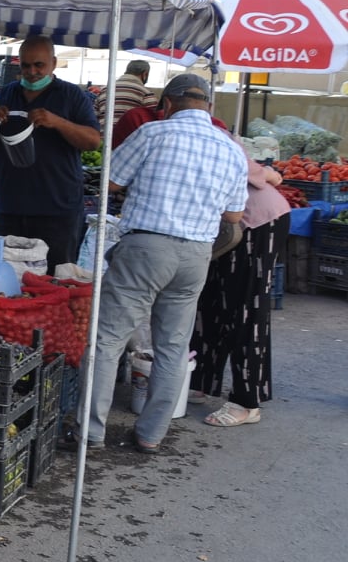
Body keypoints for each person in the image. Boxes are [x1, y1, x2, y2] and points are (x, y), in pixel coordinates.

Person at [84, 73, 249, 453]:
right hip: (195, 255)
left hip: (146, 247)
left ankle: (90, 433)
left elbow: (111, 181)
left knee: (108, 340)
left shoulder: (153, 133)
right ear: (209, 106)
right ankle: (151, 435)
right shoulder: (230, 148)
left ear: (168, 104)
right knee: (173, 346)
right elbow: (234, 216)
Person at [0, 35, 102, 270]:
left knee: (55, 277)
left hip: (57, 210)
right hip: (11, 207)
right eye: (26, 65)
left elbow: (93, 140)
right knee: (10, 276)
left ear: (53, 63)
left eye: (39, 65)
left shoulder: (71, 95)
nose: (32, 72)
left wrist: (58, 122)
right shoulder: (7, 94)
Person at [188, 151, 291, 426]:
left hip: (257, 221)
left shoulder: (215, 138)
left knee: (246, 306)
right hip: (224, 226)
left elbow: (256, 172)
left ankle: (247, 401)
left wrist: (270, 174)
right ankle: (199, 380)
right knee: (209, 299)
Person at [95, 59, 155, 124]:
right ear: (145, 74)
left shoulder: (104, 90)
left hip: (103, 130)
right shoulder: (145, 93)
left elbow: (94, 115)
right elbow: (153, 120)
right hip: (130, 130)